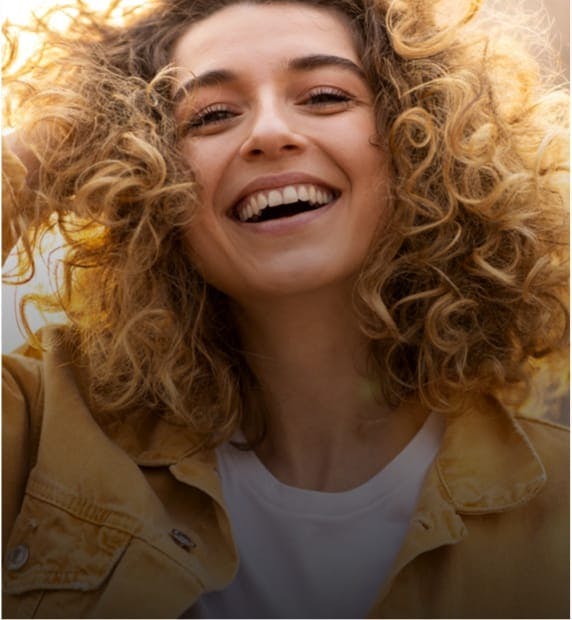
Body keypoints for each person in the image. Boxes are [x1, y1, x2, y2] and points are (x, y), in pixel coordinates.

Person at [2, 0, 569, 617]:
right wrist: (49, 146)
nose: (269, 133)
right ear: (147, 174)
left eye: (325, 97)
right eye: (211, 115)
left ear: (421, 142)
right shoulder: (44, 431)